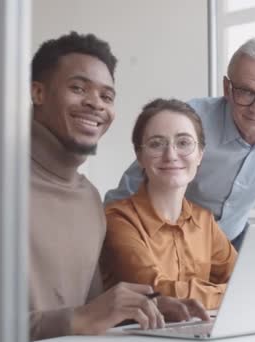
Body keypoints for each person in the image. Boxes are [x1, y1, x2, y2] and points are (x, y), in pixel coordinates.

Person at [0, 32, 208, 342]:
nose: (95, 103)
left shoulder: (90, 198)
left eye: (107, 96)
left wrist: (144, 308)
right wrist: (74, 320)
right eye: (78, 88)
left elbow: (87, 315)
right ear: (38, 93)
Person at [105, 37, 255, 250]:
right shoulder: (190, 121)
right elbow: (131, 188)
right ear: (227, 89)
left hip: (232, 239)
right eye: (245, 93)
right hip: (173, 242)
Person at [100, 99, 237, 310]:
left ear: (200, 154)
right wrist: (230, 294)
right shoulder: (117, 220)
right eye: (156, 144)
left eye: (183, 143)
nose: (171, 155)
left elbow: (244, 277)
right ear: (139, 156)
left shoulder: (204, 220)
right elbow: (157, 291)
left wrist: (237, 291)